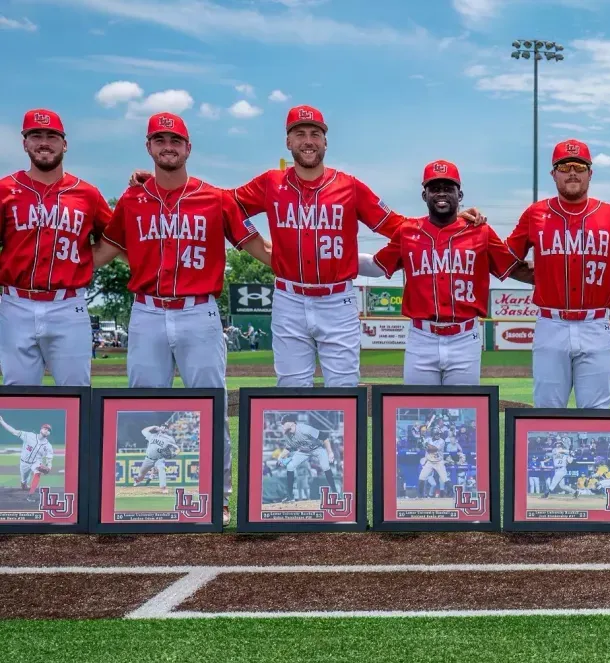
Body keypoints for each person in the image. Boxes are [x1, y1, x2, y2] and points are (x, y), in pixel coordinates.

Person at [130, 105, 484, 387]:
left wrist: (451, 224)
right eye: (300, 133)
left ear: (326, 142)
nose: (308, 140)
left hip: (337, 298)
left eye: (315, 133)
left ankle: (346, 477)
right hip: (289, 297)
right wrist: (161, 185)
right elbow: (220, 200)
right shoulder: (270, 183)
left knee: (344, 388)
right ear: (288, 142)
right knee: (291, 388)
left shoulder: (349, 186)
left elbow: (399, 226)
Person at [94, 112, 273, 526]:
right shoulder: (132, 199)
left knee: (209, 407)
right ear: (149, 147)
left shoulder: (216, 198)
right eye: (160, 140)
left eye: (175, 141)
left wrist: (307, 272)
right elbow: (102, 253)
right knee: (142, 410)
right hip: (147, 312)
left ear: (188, 148)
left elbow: (258, 248)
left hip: (199, 313)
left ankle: (217, 496)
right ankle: (145, 498)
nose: (168, 147)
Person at [505, 138, 610, 408]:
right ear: (553, 173)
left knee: (596, 413)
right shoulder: (535, 214)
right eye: (564, 166)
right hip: (550, 323)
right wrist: (466, 225)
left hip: (596, 323)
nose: (572, 172)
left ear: (590, 173)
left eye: (579, 166)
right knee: (546, 411)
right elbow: (503, 258)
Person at [360, 160, 532, 384]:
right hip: (421, 338)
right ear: (424, 195)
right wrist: (338, 261)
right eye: (435, 188)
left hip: (464, 337)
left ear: (459, 195)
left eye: (448, 188)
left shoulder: (481, 232)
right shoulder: (408, 232)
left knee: (465, 411)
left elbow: (514, 268)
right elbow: (376, 265)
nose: (441, 193)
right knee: (417, 412)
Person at [0, 109, 113, 386]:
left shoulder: (87, 193)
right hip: (14, 304)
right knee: (18, 393)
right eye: (35, 135)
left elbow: (115, 239)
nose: (43, 142)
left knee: (76, 391)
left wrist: (86, 262)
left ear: (64, 143)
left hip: (68, 305)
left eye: (51, 136)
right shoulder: (5, 189)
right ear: (24, 142)